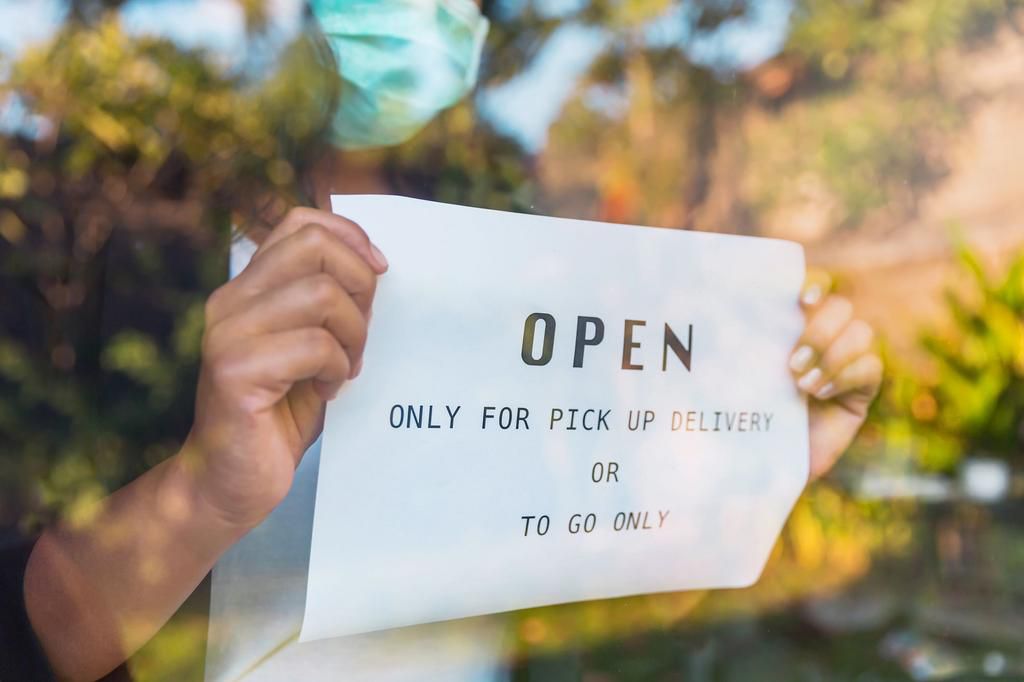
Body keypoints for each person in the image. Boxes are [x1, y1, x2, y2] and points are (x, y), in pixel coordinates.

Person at [2, 2, 883, 681]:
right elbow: (27, 630)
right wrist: (202, 497)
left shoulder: (517, 242)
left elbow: (588, 575)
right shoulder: (111, 239)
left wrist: (759, 454)